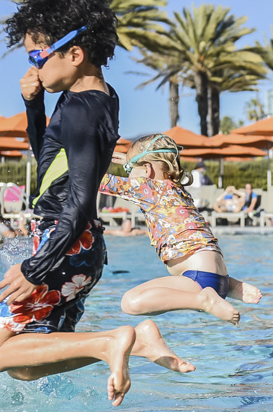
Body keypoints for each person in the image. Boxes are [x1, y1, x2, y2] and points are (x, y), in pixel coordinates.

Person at [0, 0, 194, 407]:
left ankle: (113, 341)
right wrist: (34, 106)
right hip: (78, 247)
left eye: (38, 56)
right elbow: (50, 162)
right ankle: (134, 342)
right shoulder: (97, 98)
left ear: (75, 54)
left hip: (62, 242)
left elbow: (78, 198)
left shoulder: (80, 110)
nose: (34, 67)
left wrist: (34, 268)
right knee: (24, 365)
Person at [99, 133, 263, 325]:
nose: (128, 174)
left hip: (198, 279)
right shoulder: (177, 189)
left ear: (146, 170)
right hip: (217, 277)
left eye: (128, 169)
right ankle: (231, 286)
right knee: (151, 300)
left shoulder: (146, 188)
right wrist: (130, 161)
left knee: (130, 302)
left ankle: (205, 300)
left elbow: (94, 180)